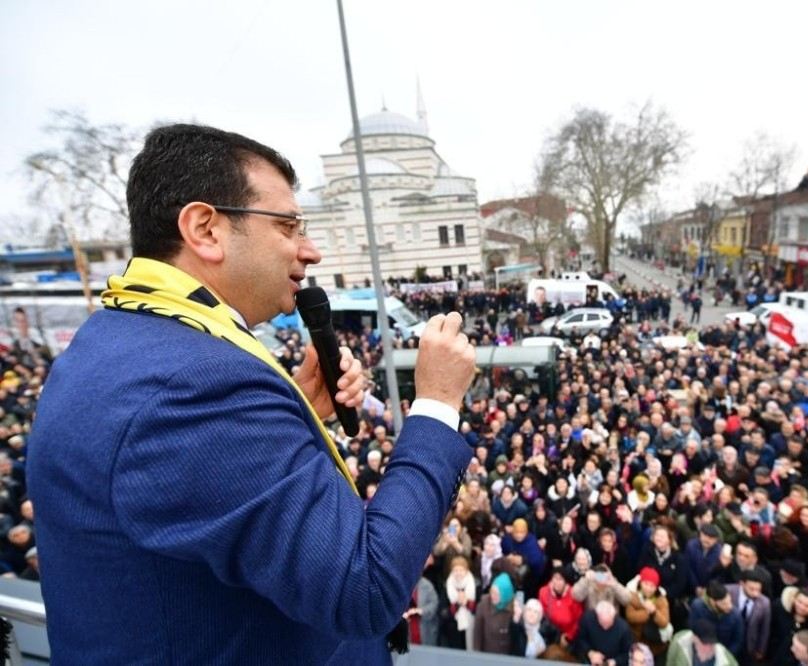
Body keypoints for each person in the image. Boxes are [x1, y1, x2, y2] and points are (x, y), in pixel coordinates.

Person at [28, 124, 478, 664]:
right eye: (288, 226)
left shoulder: (116, 338)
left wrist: (298, 420)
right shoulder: (194, 388)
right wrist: (435, 405)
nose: (309, 251)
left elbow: (198, 493)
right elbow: (363, 587)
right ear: (205, 229)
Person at [576, 600, 635, 665]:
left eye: (609, 623)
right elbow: (580, 640)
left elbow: (629, 653)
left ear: (614, 616)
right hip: (590, 660)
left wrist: (615, 661)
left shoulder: (624, 628)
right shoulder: (587, 619)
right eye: (603, 623)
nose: (605, 627)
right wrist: (590, 653)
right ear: (597, 615)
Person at [473, 572, 516, 654]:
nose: (493, 596)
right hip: (488, 654)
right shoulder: (483, 605)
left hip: (507, 656)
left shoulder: (515, 608)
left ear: (505, 594)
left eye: (497, 594)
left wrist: (517, 620)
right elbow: (477, 634)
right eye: (492, 592)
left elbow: (517, 640)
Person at [666, 619, 739, 666]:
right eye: (704, 644)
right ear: (694, 638)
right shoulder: (679, 642)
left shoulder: (725, 658)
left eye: (712, 643)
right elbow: (670, 662)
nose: (709, 648)